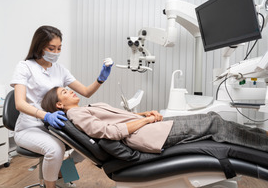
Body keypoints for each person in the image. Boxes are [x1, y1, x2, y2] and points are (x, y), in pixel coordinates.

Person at [10, 25, 113, 188]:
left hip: (55, 126)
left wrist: (100, 79)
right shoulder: (25, 67)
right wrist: (46, 115)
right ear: (39, 46)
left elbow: (85, 92)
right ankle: (51, 186)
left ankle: (61, 175)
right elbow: (19, 103)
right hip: (29, 128)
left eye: (59, 48)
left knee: (89, 144)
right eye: (52, 48)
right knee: (55, 149)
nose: (56, 52)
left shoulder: (60, 70)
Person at [41, 86, 268, 154]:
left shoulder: (85, 108)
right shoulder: (76, 113)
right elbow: (110, 132)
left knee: (211, 117)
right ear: (59, 105)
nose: (71, 91)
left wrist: (144, 114)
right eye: (65, 92)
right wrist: (148, 121)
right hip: (149, 134)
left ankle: (263, 137)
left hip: (150, 127)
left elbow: (120, 118)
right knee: (215, 124)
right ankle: (264, 144)